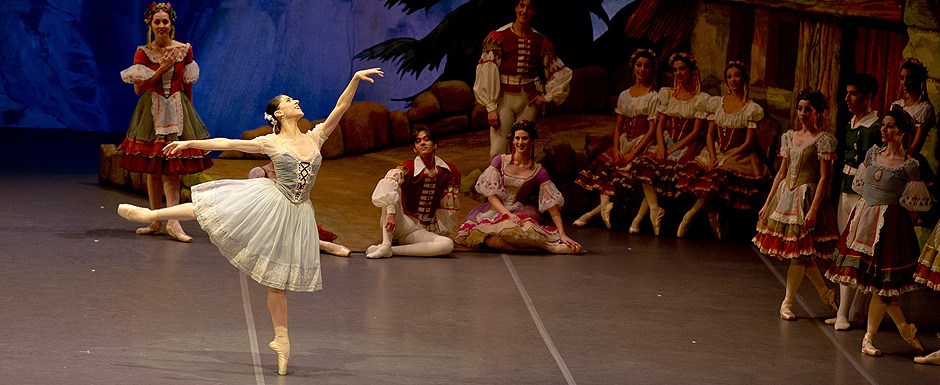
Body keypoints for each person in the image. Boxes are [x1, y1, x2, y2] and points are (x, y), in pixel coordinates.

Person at [117, 68, 384, 375]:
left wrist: (353, 79)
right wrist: (187, 144)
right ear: (279, 114)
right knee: (212, 208)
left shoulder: (316, 136)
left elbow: (341, 108)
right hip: (273, 203)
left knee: (277, 281)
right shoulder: (270, 143)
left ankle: (281, 339)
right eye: (288, 100)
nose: (296, 101)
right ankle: (152, 214)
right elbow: (229, 143)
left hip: (298, 214)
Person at [825, 106, 931, 357]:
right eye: (883, 125)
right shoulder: (873, 154)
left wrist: (890, 213)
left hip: (889, 226)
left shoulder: (909, 165)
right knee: (881, 289)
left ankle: (873, 337)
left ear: (903, 132)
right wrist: (866, 211)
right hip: (864, 220)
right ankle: (898, 331)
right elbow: (861, 185)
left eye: (891, 126)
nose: (884, 130)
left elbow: (915, 202)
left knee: (883, 288)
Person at [118, 2, 213, 243]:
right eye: (157, 21)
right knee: (153, 167)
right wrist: (162, 68)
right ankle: (154, 220)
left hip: (178, 111)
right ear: (150, 23)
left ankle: (174, 221)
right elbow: (139, 88)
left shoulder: (184, 50)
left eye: (165, 21)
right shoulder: (144, 53)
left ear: (171, 23)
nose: (161, 25)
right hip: (152, 112)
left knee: (173, 167)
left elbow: (187, 85)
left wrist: (191, 114)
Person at [752, 89, 839, 320]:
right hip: (785, 198)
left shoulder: (823, 140)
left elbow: (823, 177)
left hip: (806, 199)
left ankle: (787, 303)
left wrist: (813, 209)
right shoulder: (789, 137)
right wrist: (767, 202)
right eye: (800, 108)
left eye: (807, 109)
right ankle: (825, 294)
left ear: (818, 112)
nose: (802, 113)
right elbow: (781, 173)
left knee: (799, 255)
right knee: (802, 256)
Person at [675, 61, 772, 239]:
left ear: (744, 78)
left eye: (737, 75)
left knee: (720, 174)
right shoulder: (716, 103)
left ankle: (691, 214)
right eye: (729, 76)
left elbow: (749, 142)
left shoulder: (750, 108)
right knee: (697, 173)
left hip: (739, 154)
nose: (733, 80)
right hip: (716, 151)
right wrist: (712, 155)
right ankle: (712, 212)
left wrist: (727, 157)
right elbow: (710, 135)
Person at [455, 121, 581, 254]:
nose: (520, 142)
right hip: (496, 210)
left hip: (518, 210)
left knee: (512, 232)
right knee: (492, 241)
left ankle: (548, 246)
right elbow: (491, 196)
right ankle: (545, 248)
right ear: (513, 140)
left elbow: (552, 206)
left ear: (532, 141)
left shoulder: (538, 171)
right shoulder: (500, 161)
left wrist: (562, 233)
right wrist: (507, 214)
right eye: (517, 138)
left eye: (524, 138)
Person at [619, 52, 710, 235]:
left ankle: (643, 217)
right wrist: (661, 147)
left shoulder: (701, 99)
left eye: (682, 69)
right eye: (675, 70)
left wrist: (673, 149)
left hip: (686, 145)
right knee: (643, 164)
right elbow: (660, 126)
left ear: (692, 71)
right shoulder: (668, 94)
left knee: (668, 170)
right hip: (667, 141)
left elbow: (695, 132)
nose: (678, 73)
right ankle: (653, 209)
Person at [474, 0, 573, 159]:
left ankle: (522, 183)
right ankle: (498, 183)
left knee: (523, 150)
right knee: (498, 151)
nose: (524, 11)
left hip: (528, 101)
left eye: (529, 7)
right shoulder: (499, 37)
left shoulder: (540, 41)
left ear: (534, 12)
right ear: (515, 8)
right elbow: (487, 71)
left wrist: (548, 97)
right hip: (504, 100)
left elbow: (559, 72)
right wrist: (491, 107)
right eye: (522, 5)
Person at [573, 48, 658, 229]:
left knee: (630, 174)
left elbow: (652, 129)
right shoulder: (624, 95)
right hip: (624, 141)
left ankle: (592, 214)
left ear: (652, 70)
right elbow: (619, 126)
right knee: (606, 166)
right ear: (633, 67)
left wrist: (634, 153)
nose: (642, 69)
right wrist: (617, 149)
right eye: (639, 65)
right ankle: (603, 207)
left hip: (642, 143)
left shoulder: (653, 96)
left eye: (646, 66)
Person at [825, 73, 882, 330]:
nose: (847, 98)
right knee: (844, 249)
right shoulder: (851, 123)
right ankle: (850, 310)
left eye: (853, 93)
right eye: (847, 93)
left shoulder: (875, 129)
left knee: (854, 253)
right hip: (845, 193)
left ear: (868, 97)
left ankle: (845, 313)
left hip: (862, 197)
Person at [366, 127, 461, 259]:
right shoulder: (408, 167)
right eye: (418, 141)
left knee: (447, 245)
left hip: (418, 229)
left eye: (426, 140)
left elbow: (447, 202)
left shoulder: (447, 170)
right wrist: (391, 213)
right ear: (415, 149)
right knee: (391, 185)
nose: (422, 143)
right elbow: (388, 184)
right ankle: (386, 243)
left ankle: (390, 249)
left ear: (435, 145)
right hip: (399, 221)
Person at [248, 162, 351, 257]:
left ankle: (317, 242)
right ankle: (322, 245)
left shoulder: (293, 173)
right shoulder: (259, 172)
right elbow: (257, 200)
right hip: (268, 214)